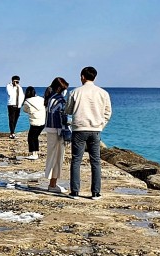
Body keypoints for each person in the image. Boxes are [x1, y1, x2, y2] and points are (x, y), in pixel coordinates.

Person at [65, 66, 112, 200]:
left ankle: (75, 191)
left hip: (79, 129)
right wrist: (101, 125)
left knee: (76, 161)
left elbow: (68, 110)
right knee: (95, 161)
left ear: (82, 77)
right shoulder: (103, 93)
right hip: (95, 129)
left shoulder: (75, 92)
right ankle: (96, 192)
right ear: (95, 77)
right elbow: (108, 112)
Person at [43, 77, 70, 193]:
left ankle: (52, 183)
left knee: (52, 156)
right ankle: (53, 184)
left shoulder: (50, 99)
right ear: (60, 88)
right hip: (58, 131)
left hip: (50, 130)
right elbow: (63, 118)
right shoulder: (60, 100)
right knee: (58, 158)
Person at [21, 86, 45, 159]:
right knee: (35, 137)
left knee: (31, 137)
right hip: (42, 122)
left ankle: (34, 154)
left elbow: (25, 110)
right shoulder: (41, 99)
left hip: (34, 122)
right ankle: (35, 153)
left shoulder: (27, 101)